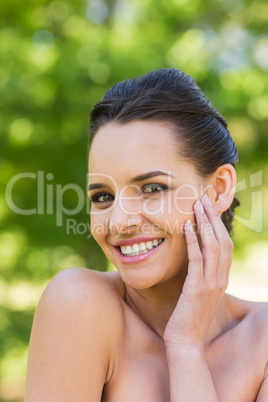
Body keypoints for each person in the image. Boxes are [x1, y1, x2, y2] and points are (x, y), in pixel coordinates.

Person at [25, 68, 268, 401]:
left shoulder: (262, 340)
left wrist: (185, 346)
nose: (119, 222)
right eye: (103, 196)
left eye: (153, 188)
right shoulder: (78, 305)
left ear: (219, 189)